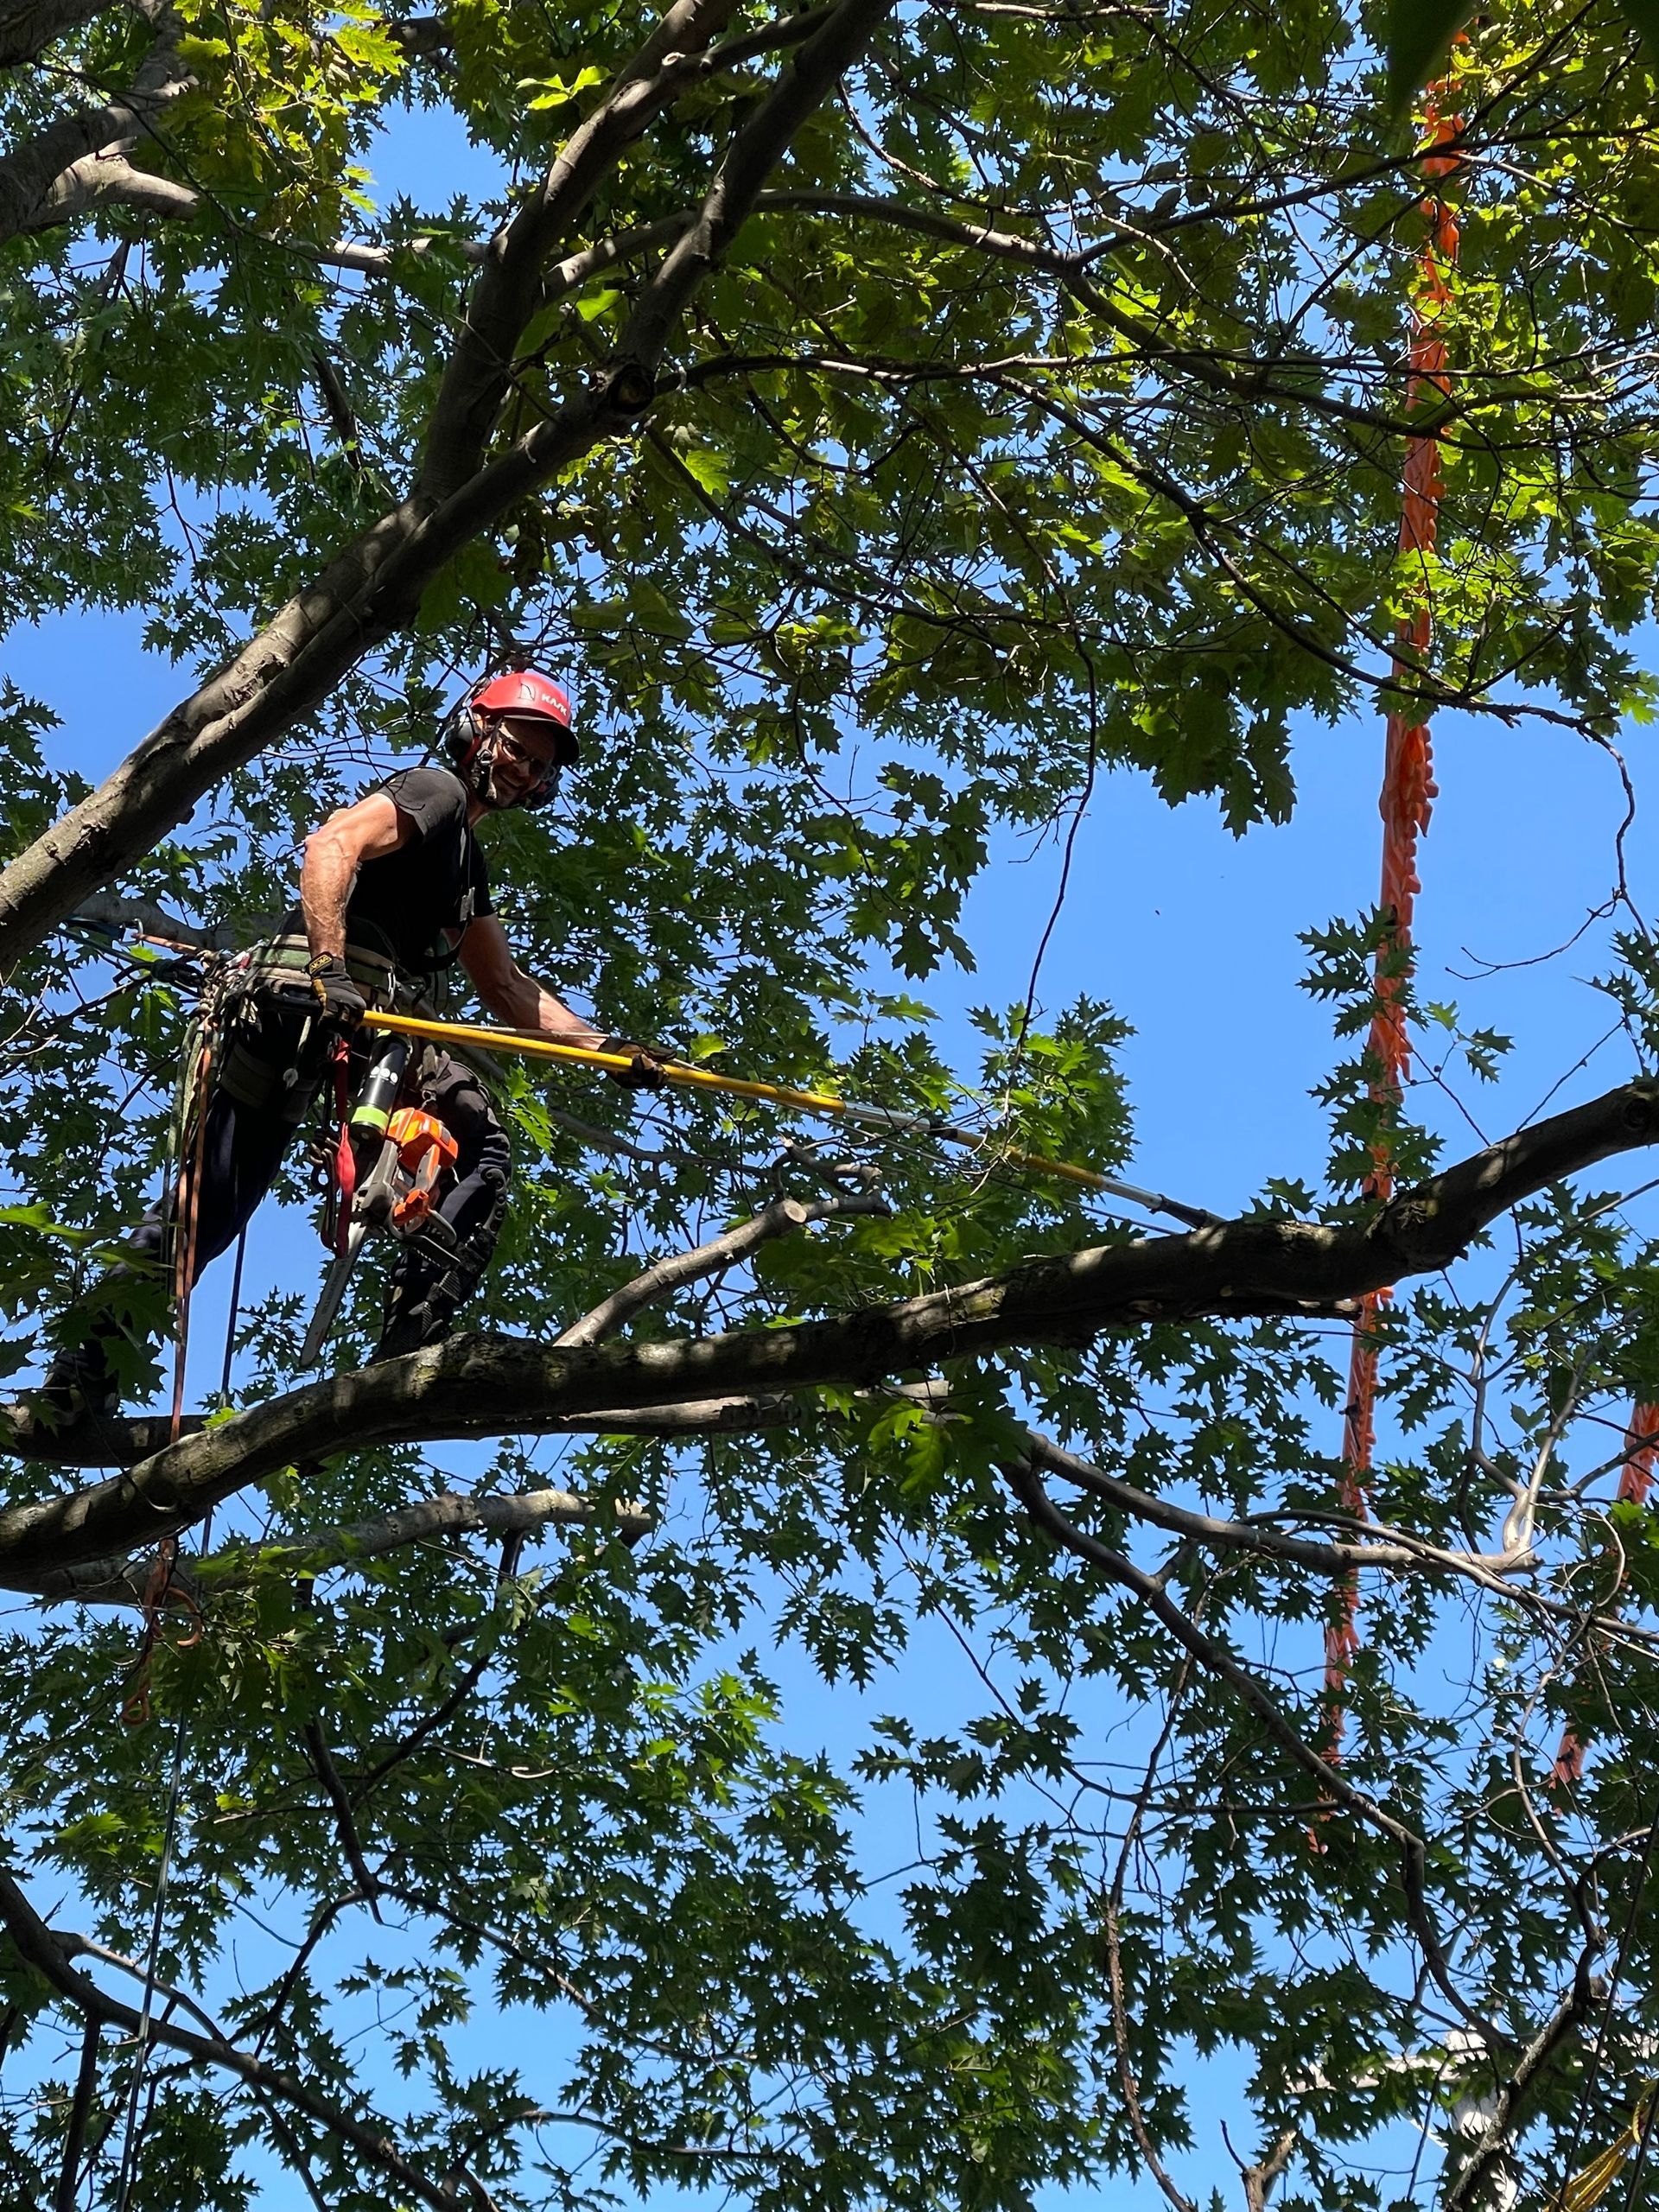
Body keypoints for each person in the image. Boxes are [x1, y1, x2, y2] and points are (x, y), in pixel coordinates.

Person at [38, 669, 662, 1421]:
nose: (525, 770)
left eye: (539, 765)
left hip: (342, 1018)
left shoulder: (465, 861)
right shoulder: (434, 793)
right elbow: (333, 845)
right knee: (474, 1141)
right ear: (474, 730)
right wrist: (328, 971)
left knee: (215, 1206)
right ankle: (406, 1351)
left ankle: (88, 1373)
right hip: (318, 1003)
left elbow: (505, 987)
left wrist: (608, 1049)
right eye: (517, 749)